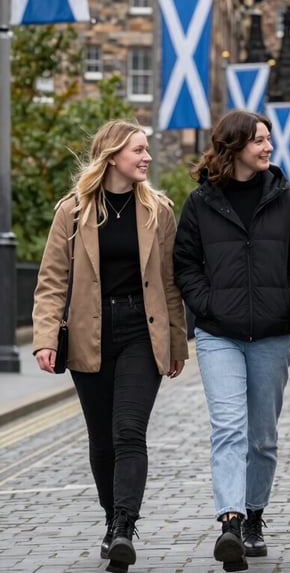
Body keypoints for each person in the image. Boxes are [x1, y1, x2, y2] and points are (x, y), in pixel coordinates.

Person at [32, 120, 188, 573]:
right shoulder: (74, 211)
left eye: (146, 150)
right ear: (113, 155)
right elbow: (51, 281)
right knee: (101, 439)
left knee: (128, 431)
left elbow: (171, 285)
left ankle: (124, 525)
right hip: (89, 331)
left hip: (143, 329)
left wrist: (177, 342)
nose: (148, 157)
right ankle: (110, 518)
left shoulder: (159, 210)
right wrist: (45, 338)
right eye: (139, 150)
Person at [173, 109, 290, 573]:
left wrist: (287, 303)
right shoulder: (201, 203)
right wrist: (207, 304)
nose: (268, 147)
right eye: (259, 141)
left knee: (263, 438)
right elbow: (185, 264)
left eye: (269, 139)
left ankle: (254, 516)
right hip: (218, 336)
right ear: (234, 147)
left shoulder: (286, 199)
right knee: (229, 428)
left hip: (271, 334)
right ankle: (230, 522)